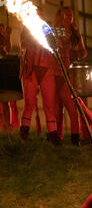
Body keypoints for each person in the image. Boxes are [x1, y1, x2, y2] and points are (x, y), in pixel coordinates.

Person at [19, 9, 61, 145]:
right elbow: (23, 46)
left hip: (46, 69)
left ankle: (53, 135)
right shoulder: (26, 29)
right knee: (29, 103)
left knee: (49, 105)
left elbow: (56, 47)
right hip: (31, 68)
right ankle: (24, 133)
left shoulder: (47, 29)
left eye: (39, 14)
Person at [54, 6, 87, 145]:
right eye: (66, 15)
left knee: (73, 108)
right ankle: (56, 138)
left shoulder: (75, 34)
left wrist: (77, 38)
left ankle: (75, 138)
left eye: (71, 15)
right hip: (54, 73)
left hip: (68, 74)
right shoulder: (54, 32)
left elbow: (83, 53)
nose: (69, 18)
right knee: (55, 108)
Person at [0, 23, 19, 132]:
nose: (2, 31)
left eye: (3, 29)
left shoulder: (5, 39)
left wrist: (7, 38)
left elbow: (8, 50)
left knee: (5, 101)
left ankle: (7, 125)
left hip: (3, 70)